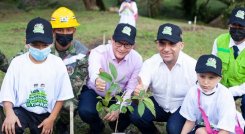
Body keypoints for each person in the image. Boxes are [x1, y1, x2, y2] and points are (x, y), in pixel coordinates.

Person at [0, 17, 74, 134]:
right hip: (22, 110)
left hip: (45, 114)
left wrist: (51, 119)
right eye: (35, 45)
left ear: (51, 42)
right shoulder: (17, 63)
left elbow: (62, 95)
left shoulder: (57, 63)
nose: (40, 49)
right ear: (26, 42)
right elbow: (7, 93)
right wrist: (9, 114)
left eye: (44, 45)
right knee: (10, 128)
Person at [131, 23, 197, 134]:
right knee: (136, 115)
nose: (166, 49)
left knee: (173, 129)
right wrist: (139, 92)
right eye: (162, 43)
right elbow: (142, 86)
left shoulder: (192, 66)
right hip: (159, 103)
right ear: (157, 44)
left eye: (172, 44)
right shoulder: (150, 63)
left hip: (182, 107)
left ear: (181, 45)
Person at [78, 23, 143, 133]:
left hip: (118, 94)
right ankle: (97, 126)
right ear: (112, 40)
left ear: (133, 45)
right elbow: (94, 69)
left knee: (128, 113)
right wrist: (97, 79)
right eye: (118, 43)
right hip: (95, 91)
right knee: (86, 111)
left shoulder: (137, 59)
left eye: (127, 45)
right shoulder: (99, 52)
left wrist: (119, 107)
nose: (122, 49)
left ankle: (117, 127)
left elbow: (131, 88)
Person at [49, 7, 89, 134]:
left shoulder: (81, 52)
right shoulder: (43, 47)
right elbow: (15, 64)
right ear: (53, 31)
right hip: (44, 88)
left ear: (74, 31)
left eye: (68, 29)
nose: (64, 33)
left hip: (68, 91)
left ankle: (63, 123)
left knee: (71, 105)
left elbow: (74, 86)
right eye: (60, 30)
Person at [180, 54, 237, 134]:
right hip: (204, 127)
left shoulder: (225, 95)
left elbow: (225, 129)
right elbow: (190, 121)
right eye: (202, 76)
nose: (206, 82)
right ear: (197, 75)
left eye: (211, 78)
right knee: (198, 131)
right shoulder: (193, 91)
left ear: (219, 79)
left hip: (223, 129)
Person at [211, 7, 245, 119]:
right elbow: (212, 67)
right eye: (234, 25)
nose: (237, 29)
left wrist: (230, 92)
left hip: (242, 88)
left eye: (241, 26)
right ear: (229, 26)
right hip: (221, 86)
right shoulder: (219, 41)